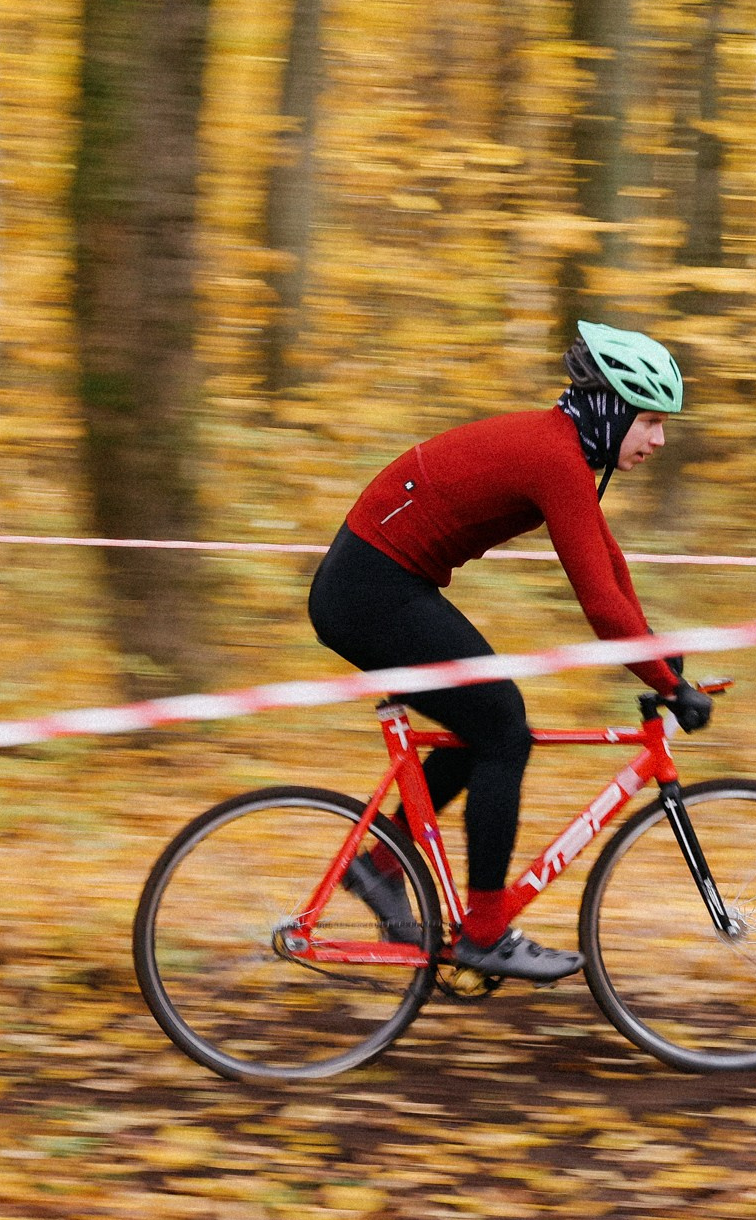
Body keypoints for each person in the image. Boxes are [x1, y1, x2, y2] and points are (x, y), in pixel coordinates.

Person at [306, 321, 718, 983]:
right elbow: (602, 610)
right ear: (611, 411)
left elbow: (611, 569)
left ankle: (379, 866)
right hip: (370, 591)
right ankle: (486, 932)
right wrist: (669, 686)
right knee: (502, 726)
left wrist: (664, 665)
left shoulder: (564, 453)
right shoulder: (554, 457)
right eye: (649, 421)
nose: (660, 439)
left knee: (486, 724)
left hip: (379, 584)